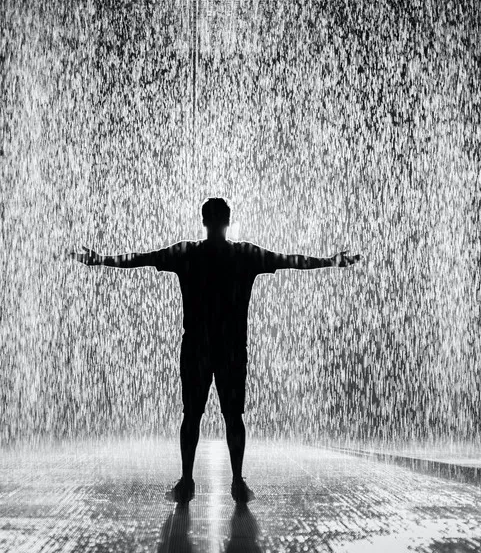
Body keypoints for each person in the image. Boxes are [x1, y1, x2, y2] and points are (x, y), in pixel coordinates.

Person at [71, 197, 361, 504]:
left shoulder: (187, 253)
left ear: (204, 221)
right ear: (228, 221)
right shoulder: (245, 254)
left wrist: (101, 259)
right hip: (232, 349)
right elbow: (291, 260)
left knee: (192, 415)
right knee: (233, 417)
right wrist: (330, 261)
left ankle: (186, 481)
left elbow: (138, 258)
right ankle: (237, 482)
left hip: (196, 347)